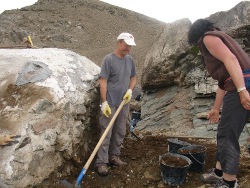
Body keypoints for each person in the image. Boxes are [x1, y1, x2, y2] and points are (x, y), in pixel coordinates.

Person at [188, 19, 250, 188]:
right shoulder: (220, 36)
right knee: (227, 131)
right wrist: (215, 109)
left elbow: (231, 59)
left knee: (227, 135)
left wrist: (242, 90)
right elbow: (225, 81)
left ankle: (229, 182)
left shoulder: (207, 38)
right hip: (238, 85)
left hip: (242, 87)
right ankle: (218, 173)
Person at [95, 32, 137, 176]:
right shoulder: (109, 60)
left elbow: (133, 78)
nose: (128, 49)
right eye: (126, 45)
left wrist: (130, 91)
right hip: (111, 102)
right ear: (119, 42)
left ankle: (114, 156)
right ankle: (101, 162)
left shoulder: (130, 60)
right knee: (106, 132)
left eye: (130, 47)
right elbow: (103, 81)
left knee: (120, 131)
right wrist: (104, 102)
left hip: (123, 103)